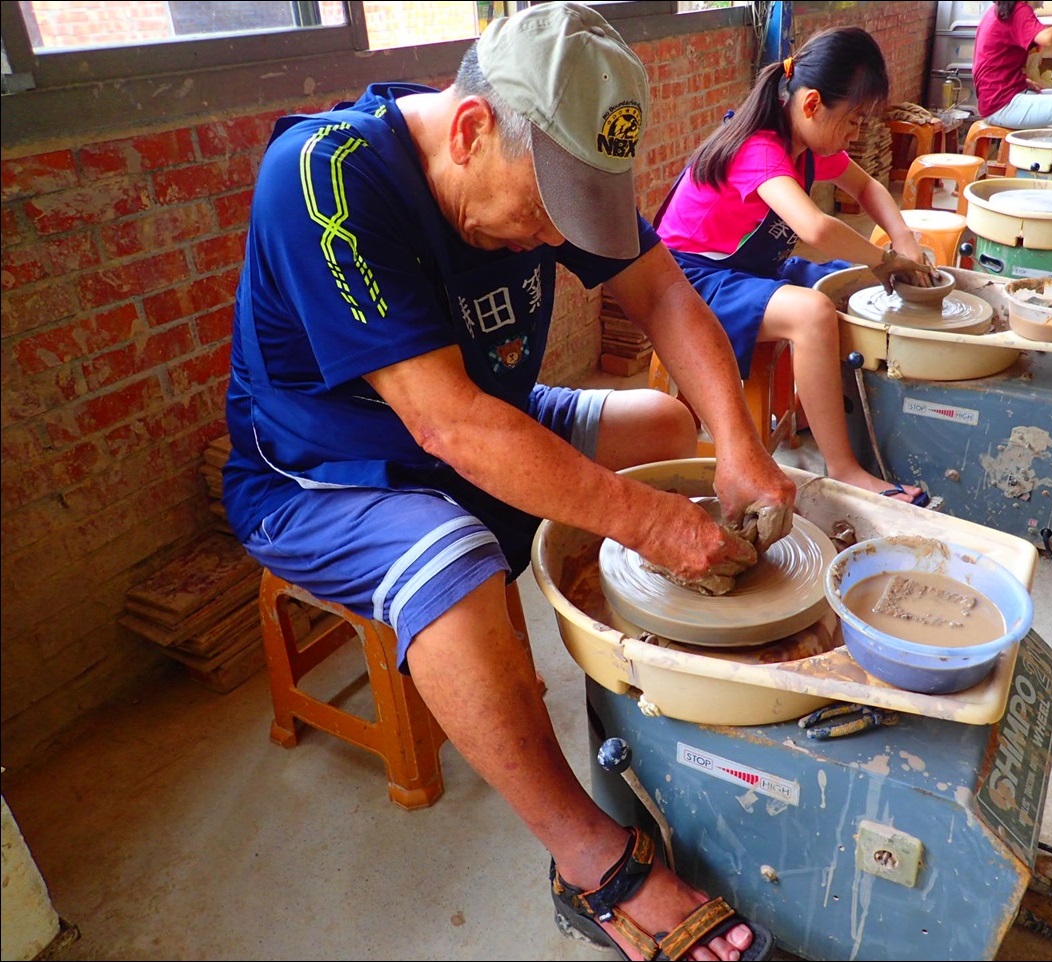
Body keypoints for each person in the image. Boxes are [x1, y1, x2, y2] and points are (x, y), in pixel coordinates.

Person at [221, 4, 787, 960]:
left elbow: (661, 293)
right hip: (328, 472)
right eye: (542, 213)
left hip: (486, 418)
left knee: (665, 424)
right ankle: (592, 862)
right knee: (458, 555)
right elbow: (446, 426)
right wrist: (649, 527)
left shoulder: (533, 157)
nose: (546, 242)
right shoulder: (323, 179)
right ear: (474, 129)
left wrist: (740, 445)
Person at [655, 26, 934, 505]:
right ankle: (845, 469)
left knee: (847, 286)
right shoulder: (759, 150)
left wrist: (905, 241)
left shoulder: (803, 146)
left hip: (748, 267)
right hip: (688, 279)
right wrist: (885, 259)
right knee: (814, 312)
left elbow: (867, 188)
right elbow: (817, 230)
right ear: (811, 105)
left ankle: (812, 405)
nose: (857, 133)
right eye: (853, 120)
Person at [973, 1, 1052, 130]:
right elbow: (1046, 38)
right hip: (1000, 104)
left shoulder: (1002, 8)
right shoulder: (1018, 9)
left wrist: (1020, 81)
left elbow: (988, 62)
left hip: (999, 96)